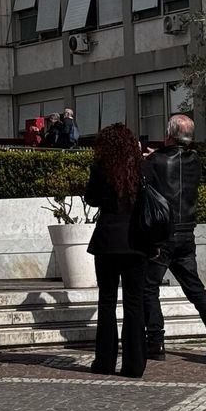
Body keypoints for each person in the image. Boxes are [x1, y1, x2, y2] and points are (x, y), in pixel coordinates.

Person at [142, 115, 206, 361]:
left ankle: (155, 341)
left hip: (162, 236)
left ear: (168, 133)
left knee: (148, 287)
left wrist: (149, 158)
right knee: (195, 287)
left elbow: (147, 185)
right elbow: (177, 160)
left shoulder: (155, 161)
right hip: (186, 233)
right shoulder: (195, 161)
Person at [85, 123, 149, 378]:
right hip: (136, 241)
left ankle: (105, 361)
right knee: (134, 303)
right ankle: (134, 364)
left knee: (107, 301)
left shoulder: (102, 168)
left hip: (108, 240)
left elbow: (91, 199)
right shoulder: (141, 168)